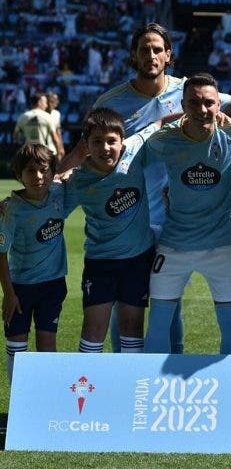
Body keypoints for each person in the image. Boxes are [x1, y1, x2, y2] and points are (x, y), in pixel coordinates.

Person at [69, 23, 231, 355]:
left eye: (157, 49)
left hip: (176, 220)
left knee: (169, 304)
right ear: (133, 55)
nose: (151, 55)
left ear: (168, 55)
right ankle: (126, 375)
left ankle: (174, 364)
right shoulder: (112, 101)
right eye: (144, 49)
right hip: (134, 220)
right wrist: (52, 179)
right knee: (126, 305)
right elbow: (85, 149)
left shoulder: (191, 93)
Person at [142, 73, 231, 355]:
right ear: (182, 104)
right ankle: (152, 389)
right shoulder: (165, 139)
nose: (202, 109)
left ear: (219, 105)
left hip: (221, 246)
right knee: (157, 323)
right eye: (194, 103)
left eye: (209, 103)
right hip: (174, 244)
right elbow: (128, 154)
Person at [63, 108, 160, 354]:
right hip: (100, 263)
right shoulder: (79, 180)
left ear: (122, 140)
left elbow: (159, 122)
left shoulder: (134, 152)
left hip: (138, 259)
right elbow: (49, 206)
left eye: (111, 141)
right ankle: (85, 388)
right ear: (86, 145)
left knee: (132, 326)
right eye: (97, 141)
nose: (105, 148)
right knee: (94, 329)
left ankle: (131, 387)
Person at [0, 144, 74, 381]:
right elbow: (1, 253)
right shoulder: (10, 210)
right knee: (16, 347)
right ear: (19, 175)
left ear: (52, 172)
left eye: (44, 170)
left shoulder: (59, 192)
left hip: (53, 285)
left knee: (47, 347)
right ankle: (17, 409)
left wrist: (66, 173)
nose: (38, 176)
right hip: (20, 288)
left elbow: (79, 161)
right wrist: (9, 294)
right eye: (31, 171)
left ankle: (47, 405)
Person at [14, 93, 64, 162]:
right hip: (43, 153)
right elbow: (55, 138)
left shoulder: (23, 116)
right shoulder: (47, 117)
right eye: (45, 102)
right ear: (39, 102)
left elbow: (16, 135)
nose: (46, 105)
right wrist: (59, 153)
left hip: (28, 152)